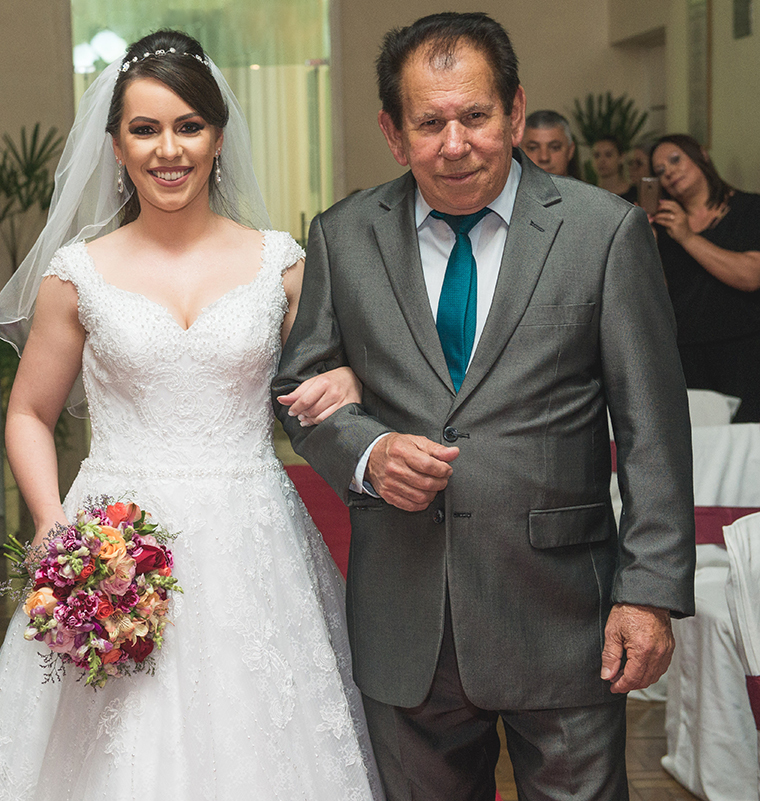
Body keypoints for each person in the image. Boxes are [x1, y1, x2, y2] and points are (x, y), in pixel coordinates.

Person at [0, 30, 384, 801]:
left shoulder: (280, 263)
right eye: (144, 129)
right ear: (115, 144)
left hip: (253, 540)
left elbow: (322, 380)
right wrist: (51, 523)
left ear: (217, 136)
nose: (167, 149)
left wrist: (343, 375)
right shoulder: (77, 274)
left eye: (188, 125)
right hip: (114, 534)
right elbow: (29, 414)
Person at [274, 12, 694, 800]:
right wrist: (366, 452)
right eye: (429, 122)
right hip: (406, 617)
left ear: (514, 112)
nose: (454, 142)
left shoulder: (602, 233)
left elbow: (654, 430)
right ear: (394, 135)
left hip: (566, 616)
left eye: (474, 115)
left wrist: (649, 591)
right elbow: (301, 391)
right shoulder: (343, 236)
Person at [650, 133, 760, 421]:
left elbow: (751, 275)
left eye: (675, 160)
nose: (670, 172)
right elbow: (660, 295)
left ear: (701, 155)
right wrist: (647, 245)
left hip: (744, 350)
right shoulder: (664, 227)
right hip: (687, 354)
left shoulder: (749, 209)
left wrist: (687, 237)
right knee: (699, 446)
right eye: (660, 171)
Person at [523, 109, 581, 178]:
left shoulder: (586, 189)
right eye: (533, 148)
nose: (544, 158)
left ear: (570, 151)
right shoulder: (508, 188)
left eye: (555, 148)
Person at [591, 135, 637, 202]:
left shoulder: (635, 194)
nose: (601, 160)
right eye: (596, 155)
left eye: (608, 155)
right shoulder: (588, 194)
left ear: (621, 158)